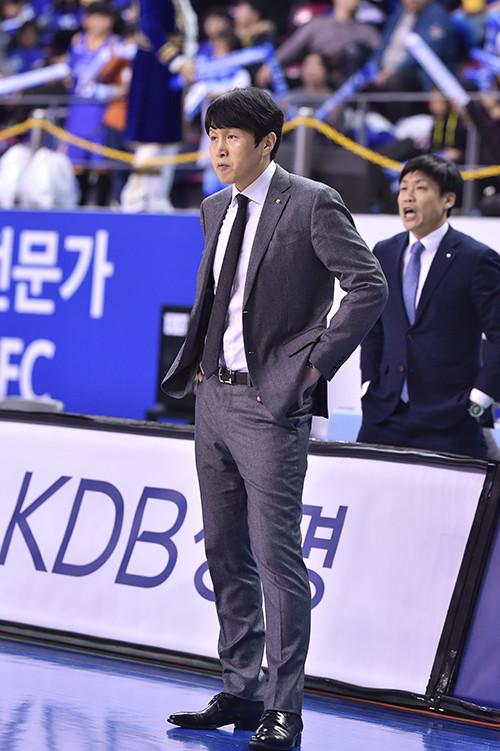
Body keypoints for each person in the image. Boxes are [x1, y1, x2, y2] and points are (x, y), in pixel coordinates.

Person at [163, 87, 388, 750]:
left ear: (267, 143)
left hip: (271, 403)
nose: (219, 149)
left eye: (232, 136)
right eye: (212, 136)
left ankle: (283, 706)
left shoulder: (312, 202)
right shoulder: (214, 207)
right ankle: (241, 689)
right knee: (224, 550)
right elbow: (221, 300)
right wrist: (202, 367)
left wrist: (311, 367)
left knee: (275, 556)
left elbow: (368, 284)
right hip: (212, 399)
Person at [358, 154, 500, 459]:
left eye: (420, 188)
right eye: (403, 188)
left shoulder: (477, 259)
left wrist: (479, 401)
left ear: (448, 199)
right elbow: (373, 325)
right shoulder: (384, 252)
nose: (408, 196)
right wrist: (368, 384)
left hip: (451, 418)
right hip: (384, 413)